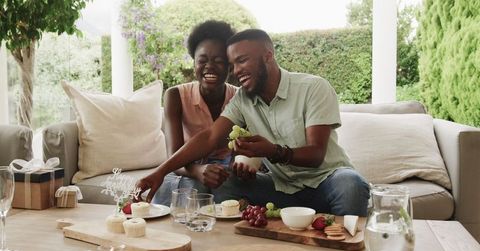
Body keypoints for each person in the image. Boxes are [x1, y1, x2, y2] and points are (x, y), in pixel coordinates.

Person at [139, 28, 370, 216]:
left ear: (268, 56)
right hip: (282, 188)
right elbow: (210, 137)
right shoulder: (242, 99)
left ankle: (341, 238)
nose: (235, 71)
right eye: (232, 65)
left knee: (350, 184)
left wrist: (273, 151)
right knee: (223, 184)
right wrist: (160, 171)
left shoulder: (313, 87)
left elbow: (316, 154)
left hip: (326, 181)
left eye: (241, 61)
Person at [150, 20, 237, 205]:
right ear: (194, 64)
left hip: (225, 173)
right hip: (186, 168)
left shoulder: (239, 98)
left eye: (219, 61)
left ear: (230, 66)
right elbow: (173, 156)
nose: (209, 67)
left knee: (227, 190)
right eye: (202, 61)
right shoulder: (175, 96)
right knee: (192, 188)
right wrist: (198, 170)